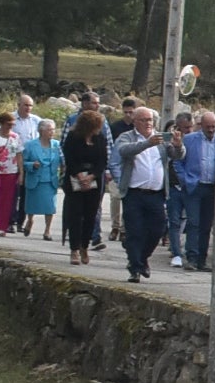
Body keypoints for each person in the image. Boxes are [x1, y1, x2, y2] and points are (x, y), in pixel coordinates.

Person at [114, 105, 171, 281]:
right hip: (134, 193)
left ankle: (141, 258)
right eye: (144, 120)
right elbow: (123, 151)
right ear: (135, 122)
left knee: (157, 229)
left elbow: (177, 155)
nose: (148, 123)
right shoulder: (127, 137)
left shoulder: (161, 138)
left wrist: (178, 145)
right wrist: (147, 143)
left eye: (150, 120)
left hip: (155, 194)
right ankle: (135, 268)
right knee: (135, 231)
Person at [60, 103, 108, 267]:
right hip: (75, 177)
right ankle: (73, 248)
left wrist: (93, 176)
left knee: (90, 215)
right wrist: (79, 175)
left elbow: (103, 160)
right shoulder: (74, 137)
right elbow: (69, 157)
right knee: (76, 214)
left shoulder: (99, 138)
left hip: (94, 178)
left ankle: (84, 246)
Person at [177, 108, 215, 269]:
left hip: (212, 187)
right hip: (194, 186)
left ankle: (202, 258)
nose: (210, 130)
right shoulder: (189, 139)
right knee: (193, 222)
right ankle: (192, 257)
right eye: (208, 126)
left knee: (206, 225)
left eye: (213, 127)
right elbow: (178, 160)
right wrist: (184, 179)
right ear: (201, 125)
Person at [159, 107, 194, 267]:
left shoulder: (195, 140)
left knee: (189, 221)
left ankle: (188, 250)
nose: (189, 130)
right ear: (178, 127)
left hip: (191, 187)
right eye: (186, 127)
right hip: (174, 187)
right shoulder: (168, 141)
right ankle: (176, 252)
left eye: (191, 127)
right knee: (174, 221)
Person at [18, 117, 63, 242]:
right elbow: (23, 162)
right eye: (49, 130)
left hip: (50, 180)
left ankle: (47, 230)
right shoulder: (30, 145)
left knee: (50, 206)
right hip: (35, 179)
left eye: (53, 130)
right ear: (41, 131)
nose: (52, 132)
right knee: (31, 204)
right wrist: (32, 165)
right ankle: (30, 220)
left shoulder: (56, 145)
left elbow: (62, 160)